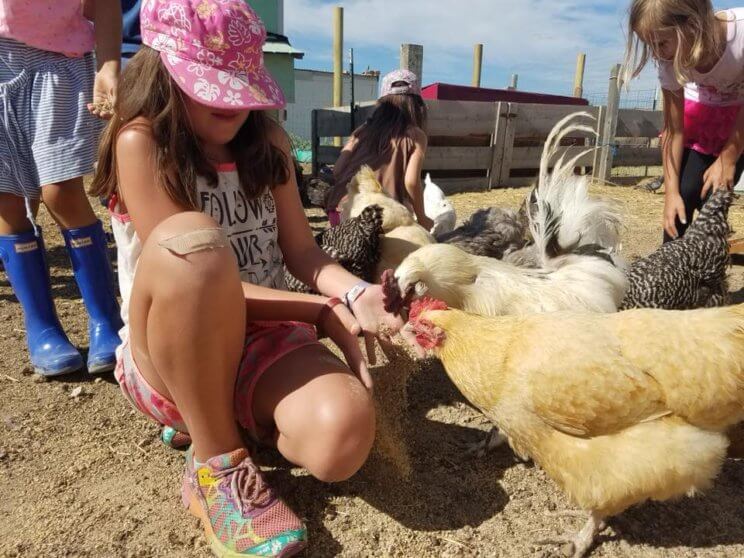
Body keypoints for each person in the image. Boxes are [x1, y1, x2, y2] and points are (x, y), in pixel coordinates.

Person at [90, 2, 401, 556]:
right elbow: (198, 281)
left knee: (343, 439)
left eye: (239, 84)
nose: (229, 103)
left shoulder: (270, 143)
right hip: (171, 349)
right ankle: (216, 466)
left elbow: (302, 251)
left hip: (264, 338)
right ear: (163, 70)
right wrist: (317, 311)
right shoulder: (141, 143)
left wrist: (354, 292)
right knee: (197, 242)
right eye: (210, 84)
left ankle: (225, 417)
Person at [0, 0, 123, 376]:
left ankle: (106, 320)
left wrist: (109, 66)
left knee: (60, 190)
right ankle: (43, 328)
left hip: (61, 58)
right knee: (10, 200)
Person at [624, 0, 744, 241]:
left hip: (738, 125)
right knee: (684, 192)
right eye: (650, 45)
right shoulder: (668, 61)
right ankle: (668, 269)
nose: (657, 54)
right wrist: (670, 195)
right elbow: (674, 131)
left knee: (714, 197)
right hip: (701, 117)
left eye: (661, 43)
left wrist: (728, 158)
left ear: (693, 25)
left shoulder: (741, 36)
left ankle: (709, 266)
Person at [327, 69, 433, 230]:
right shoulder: (416, 136)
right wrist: (423, 218)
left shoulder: (362, 131)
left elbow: (337, 171)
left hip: (340, 210)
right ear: (417, 105)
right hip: (380, 218)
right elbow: (411, 182)